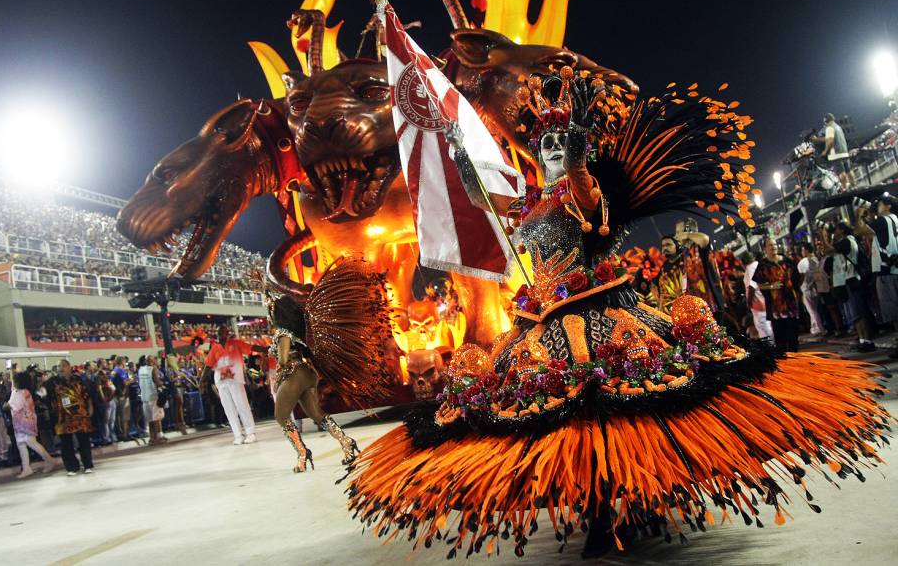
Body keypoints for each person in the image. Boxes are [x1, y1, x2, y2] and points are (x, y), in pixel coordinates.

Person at [346, 67, 889, 558]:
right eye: (547, 149)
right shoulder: (535, 203)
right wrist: (461, 157)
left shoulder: (582, 195)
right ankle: (601, 506)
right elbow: (493, 206)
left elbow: (582, 186)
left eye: (562, 147)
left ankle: (624, 506)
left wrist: (579, 158)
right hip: (543, 319)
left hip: (602, 312)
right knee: (572, 422)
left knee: (617, 410)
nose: (553, 154)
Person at [264, 259, 390, 472]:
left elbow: (284, 360)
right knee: (317, 415)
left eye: (272, 312)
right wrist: (266, 290)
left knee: (280, 416)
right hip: (307, 374)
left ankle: (303, 455)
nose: (269, 315)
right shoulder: (295, 332)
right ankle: (347, 443)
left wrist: (279, 379)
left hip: (294, 374)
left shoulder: (282, 334)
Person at [203, 325, 265, 445]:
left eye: (223, 332)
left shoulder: (236, 343)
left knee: (242, 405)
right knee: (229, 410)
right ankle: (238, 435)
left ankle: (250, 433)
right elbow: (208, 366)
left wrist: (266, 349)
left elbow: (252, 347)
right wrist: (201, 381)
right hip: (221, 383)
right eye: (218, 333)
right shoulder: (215, 348)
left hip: (235, 380)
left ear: (227, 333)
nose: (220, 335)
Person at [822, 222, 875, 351]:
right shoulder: (845, 242)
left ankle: (867, 340)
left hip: (854, 280)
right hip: (848, 281)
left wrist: (823, 235)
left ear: (842, 230)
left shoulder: (847, 241)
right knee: (855, 314)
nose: (834, 232)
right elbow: (828, 260)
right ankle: (862, 340)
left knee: (859, 312)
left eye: (836, 230)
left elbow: (828, 250)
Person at [856, 195, 898, 358]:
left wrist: (860, 213)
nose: (877, 207)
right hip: (895, 267)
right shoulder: (895, 219)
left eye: (879, 204)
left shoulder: (883, 220)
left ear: (887, 206)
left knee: (893, 310)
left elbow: (860, 231)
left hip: (887, 272)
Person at [4, 368, 57, 478]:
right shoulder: (25, 391)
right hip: (23, 422)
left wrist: (5, 405)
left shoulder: (19, 393)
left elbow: (14, 406)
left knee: (30, 443)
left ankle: (49, 460)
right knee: (22, 444)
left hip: (24, 423)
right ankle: (26, 467)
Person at [753, 238, 801, 352]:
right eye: (770, 245)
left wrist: (796, 292)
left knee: (793, 335)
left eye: (774, 244)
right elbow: (759, 285)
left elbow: (799, 277)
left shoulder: (787, 261)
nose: (773, 247)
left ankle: (797, 359)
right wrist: (771, 286)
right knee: (780, 339)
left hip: (791, 305)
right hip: (776, 309)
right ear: (765, 249)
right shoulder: (763, 265)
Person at [49, 359, 95, 475]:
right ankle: (71, 467)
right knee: (66, 444)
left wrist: (90, 408)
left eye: (63, 366)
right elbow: (43, 394)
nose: (61, 369)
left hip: (80, 415)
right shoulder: (53, 382)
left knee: (84, 441)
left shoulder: (78, 379)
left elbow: (87, 394)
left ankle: (87, 465)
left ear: (69, 367)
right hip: (62, 418)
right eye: (59, 366)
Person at [795, 243, 825, 336]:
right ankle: (817, 327)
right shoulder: (816, 259)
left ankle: (818, 328)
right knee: (816, 309)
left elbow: (801, 276)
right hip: (816, 286)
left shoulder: (803, 262)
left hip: (806, 288)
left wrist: (798, 286)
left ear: (806, 250)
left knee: (812, 310)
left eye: (803, 250)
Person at [744, 252, 774, 341]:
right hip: (766, 300)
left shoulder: (750, 269)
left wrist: (749, 303)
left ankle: (770, 347)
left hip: (758, 303)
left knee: (763, 327)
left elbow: (751, 287)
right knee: (768, 325)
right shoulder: (759, 265)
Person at [137, 355, 167, 445]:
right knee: (157, 418)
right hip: (153, 396)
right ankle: (160, 436)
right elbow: (157, 383)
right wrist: (163, 383)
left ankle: (152, 438)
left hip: (144, 397)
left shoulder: (140, 370)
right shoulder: (152, 369)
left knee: (150, 419)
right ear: (153, 361)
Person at [820, 113, 855, 189]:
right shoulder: (838, 127)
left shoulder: (829, 128)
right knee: (848, 170)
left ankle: (844, 189)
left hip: (836, 154)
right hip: (844, 152)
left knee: (841, 173)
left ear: (826, 121)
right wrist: (818, 139)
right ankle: (853, 186)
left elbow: (830, 141)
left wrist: (825, 152)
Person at [111, 357, 131, 441]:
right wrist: (131, 380)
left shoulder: (113, 371)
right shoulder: (121, 371)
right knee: (124, 417)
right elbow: (125, 382)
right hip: (122, 396)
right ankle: (125, 435)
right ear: (123, 362)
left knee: (118, 417)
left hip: (115, 396)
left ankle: (120, 434)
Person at [97, 369, 117, 443]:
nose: (104, 376)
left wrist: (112, 398)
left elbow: (114, 389)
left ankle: (112, 437)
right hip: (106, 402)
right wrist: (104, 399)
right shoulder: (100, 382)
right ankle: (106, 438)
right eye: (102, 374)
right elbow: (100, 390)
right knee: (106, 421)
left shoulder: (108, 380)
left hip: (112, 401)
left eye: (105, 374)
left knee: (112, 420)